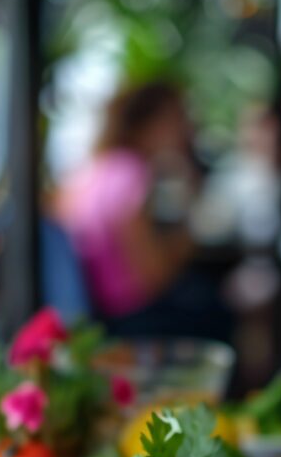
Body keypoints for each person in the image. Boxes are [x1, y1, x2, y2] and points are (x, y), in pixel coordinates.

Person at [55, 81, 231, 340]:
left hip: (97, 316)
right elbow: (152, 276)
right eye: (178, 118)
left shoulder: (93, 170)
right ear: (149, 124)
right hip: (131, 321)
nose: (188, 130)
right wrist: (188, 235)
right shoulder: (131, 174)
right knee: (216, 307)